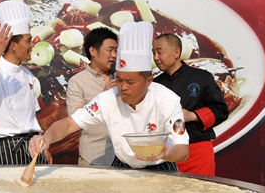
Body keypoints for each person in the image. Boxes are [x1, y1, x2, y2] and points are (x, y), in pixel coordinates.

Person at [29, 21, 189, 171]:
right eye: (119, 79)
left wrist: (165, 154)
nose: (123, 87)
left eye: (130, 82)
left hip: (160, 168)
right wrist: (47, 139)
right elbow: (69, 123)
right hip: (123, 166)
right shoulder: (107, 99)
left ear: (148, 81)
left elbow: (182, 149)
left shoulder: (169, 101)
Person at [0, 0, 50, 165]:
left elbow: (32, 117)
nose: (32, 45)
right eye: (29, 40)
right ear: (14, 46)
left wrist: (43, 144)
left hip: (34, 146)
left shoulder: (28, 75)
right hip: (7, 148)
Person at [152, 33, 229, 176]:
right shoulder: (155, 84)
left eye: (159, 52)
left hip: (197, 151)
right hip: (166, 152)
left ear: (176, 52)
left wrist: (192, 115)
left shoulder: (202, 77)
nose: (156, 58)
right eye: (153, 53)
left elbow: (221, 110)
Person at [66, 27, 117, 166]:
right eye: (110, 50)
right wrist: (103, 96)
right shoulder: (77, 81)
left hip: (124, 157)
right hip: (94, 157)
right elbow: (75, 117)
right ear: (93, 51)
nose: (114, 55)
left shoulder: (122, 78)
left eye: (116, 50)